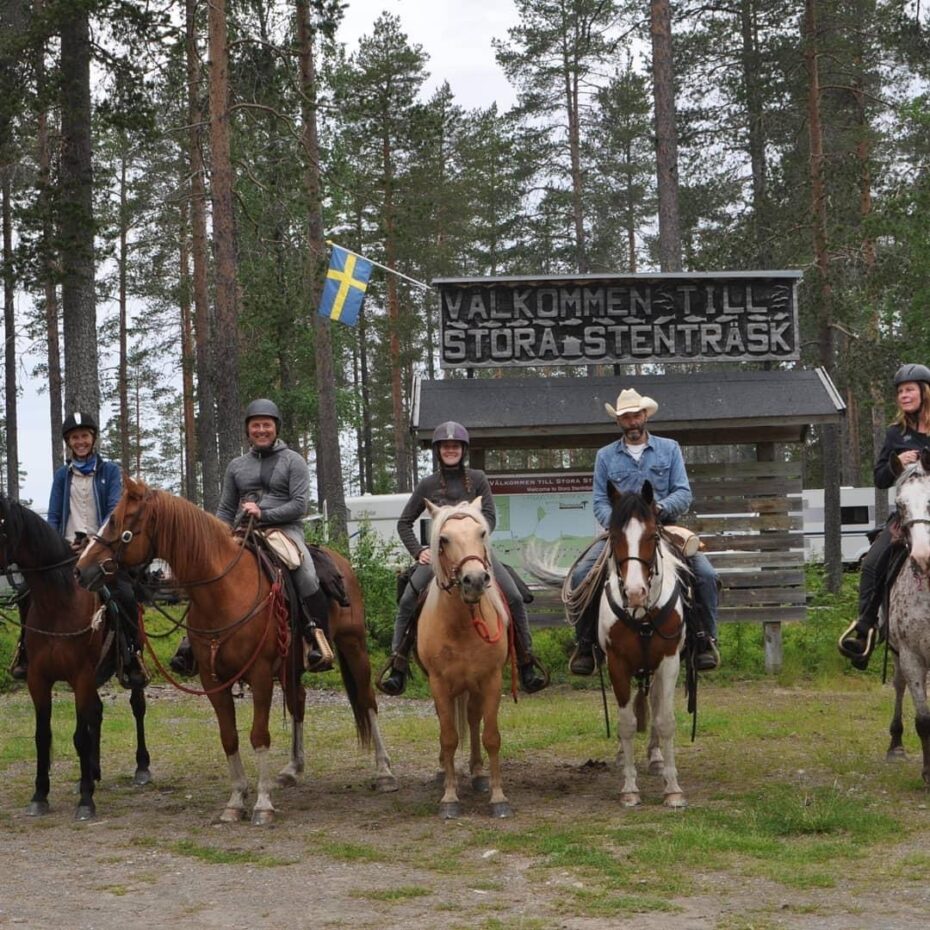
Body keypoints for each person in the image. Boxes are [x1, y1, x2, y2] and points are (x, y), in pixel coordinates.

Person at [377, 421, 548, 696]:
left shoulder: (478, 478)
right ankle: (398, 664)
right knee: (409, 599)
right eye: (445, 446)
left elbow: (490, 516)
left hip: (477, 554)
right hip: (442, 557)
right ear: (437, 450)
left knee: (514, 597)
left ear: (463, 449)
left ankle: (527, 661)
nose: (450, 450)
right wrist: (418, 551)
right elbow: (404, 523)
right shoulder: (427, 484)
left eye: (455, 446)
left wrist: (473, 539)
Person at [567, 388, 720, 676]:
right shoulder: (605, 456)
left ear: (645, 416)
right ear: (619, 421)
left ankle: (704, 639)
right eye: (626, 417)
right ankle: (586, 643)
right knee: (580, 576)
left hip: (664, 528)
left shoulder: (669, 449)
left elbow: (684, 492)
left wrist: (659, 508)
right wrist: (621, 523)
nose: (632, 421)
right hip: (622, 533)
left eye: (636, 415)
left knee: (706, 574)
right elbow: (600, 499)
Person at [10, 411, 146, 688]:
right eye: (75, 437)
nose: (80, 441)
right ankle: (25, 651)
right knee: (26, 592)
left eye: (84, 436)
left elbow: (113, 512)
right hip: (66, 552)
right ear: (68, 443)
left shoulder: (109, 472)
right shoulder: (62, 476)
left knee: (125, 594)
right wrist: (56, 543)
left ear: (93, 439)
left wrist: (95, 540)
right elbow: (54, 519)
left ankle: (131, 655)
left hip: (102, 550)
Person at [215, 398, 332, 672]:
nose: (261, 430)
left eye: (266, 425)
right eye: (255, 426)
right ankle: (195, 641)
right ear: (248, 431)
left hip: (285, 529)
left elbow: (300, 505)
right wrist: (218, 537)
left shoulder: (294, 461)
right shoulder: (236, 466)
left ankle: (316, 638)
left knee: (305, 572)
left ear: (276, 428)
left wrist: (263, 514)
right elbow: (226, 508)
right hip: (243, 531)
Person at [839, 363, 930, 667]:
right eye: (900, 391)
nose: (904, 395)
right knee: (872, 562)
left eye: (909, 390)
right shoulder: (895, 434)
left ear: (924, 392)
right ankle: (865, 627)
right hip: (906, 517)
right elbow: (879, 478)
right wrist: (898, 462)